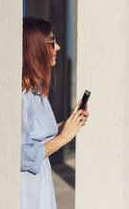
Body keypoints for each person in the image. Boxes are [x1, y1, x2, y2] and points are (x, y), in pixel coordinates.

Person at [20, 16, 89, 209]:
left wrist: (70, 123)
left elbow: (41, 135)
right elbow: (19, 154)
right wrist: (63, 139)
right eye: (52, 42)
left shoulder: (36, 91)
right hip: (25, 192)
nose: (57, 47)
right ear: (34, 47)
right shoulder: (20, 95)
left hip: (40, 185)